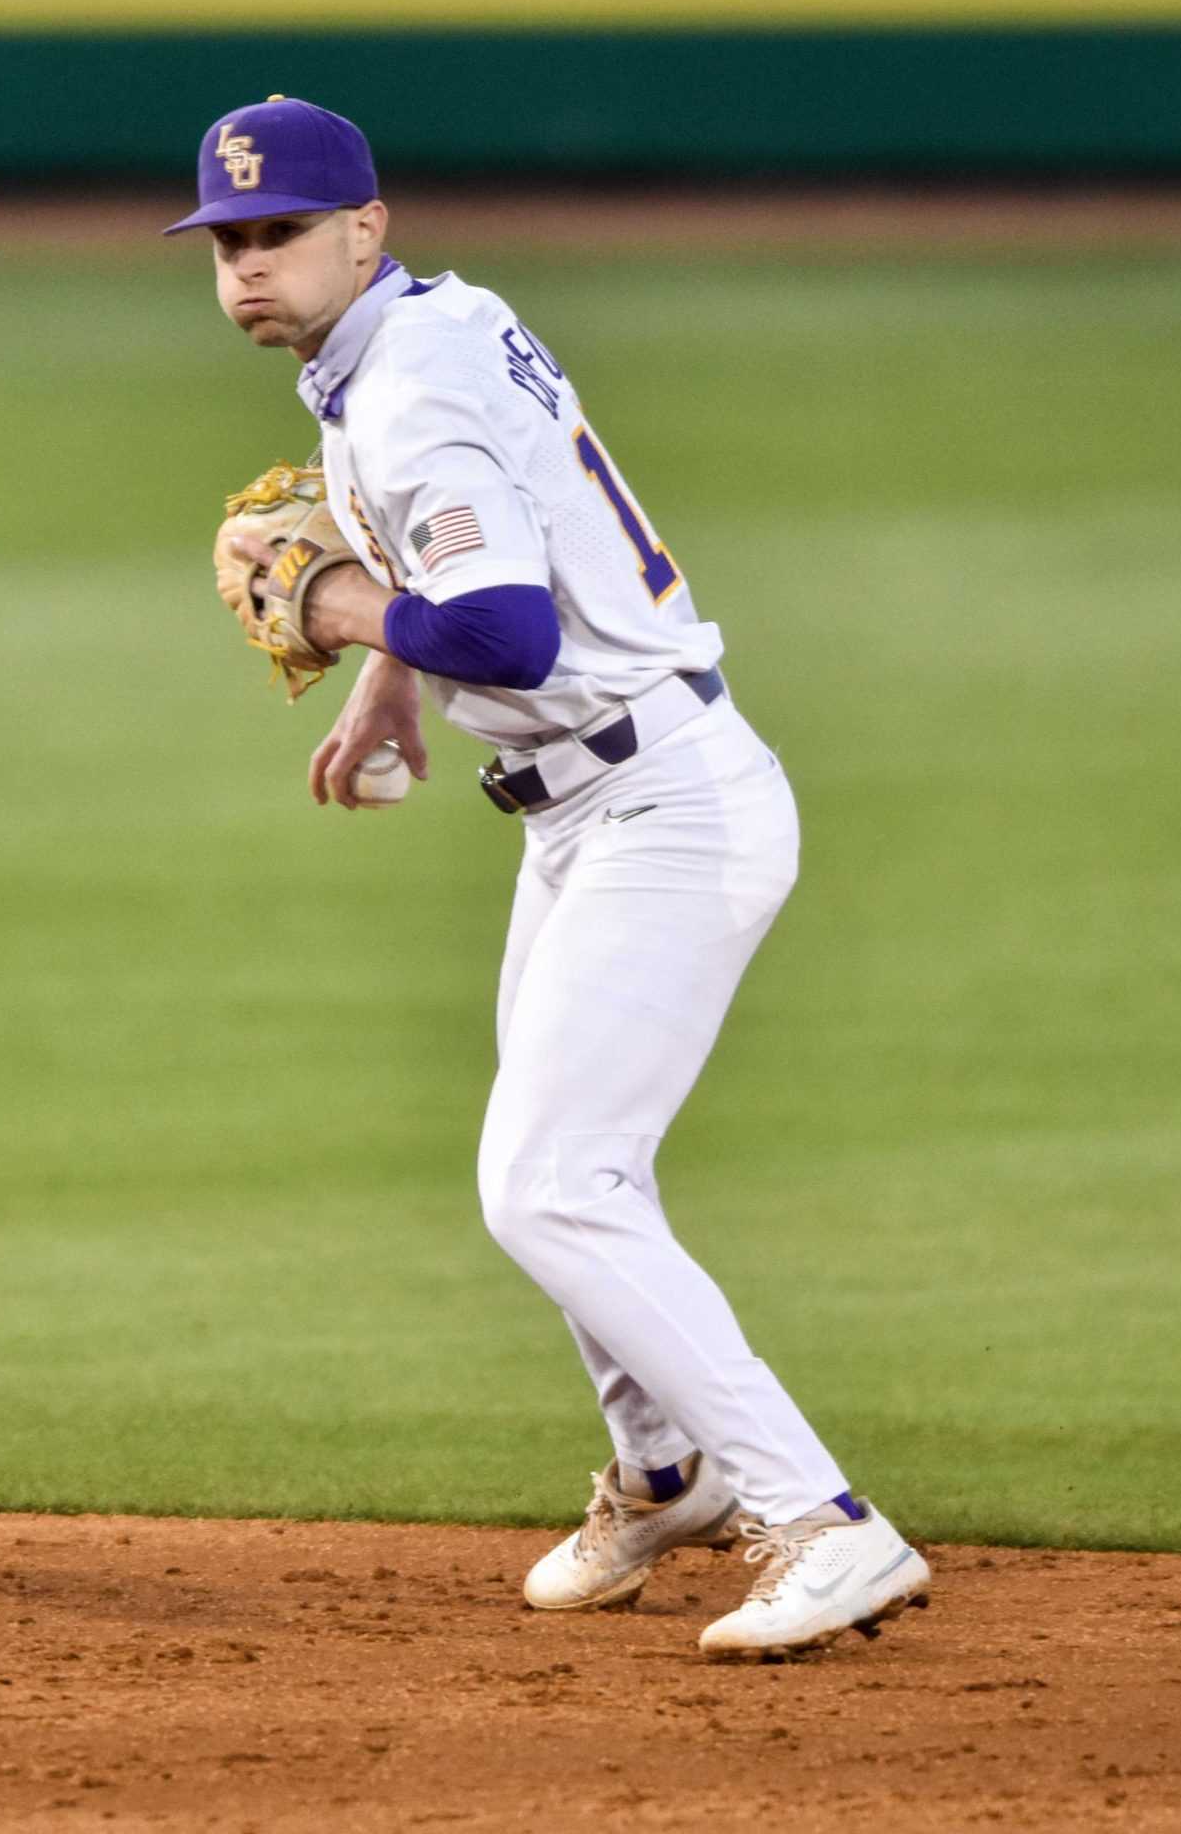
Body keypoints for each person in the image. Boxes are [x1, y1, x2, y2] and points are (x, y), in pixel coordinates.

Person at [169, 96, 931, 1660]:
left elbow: (504, 633)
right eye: (227, 243)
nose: (248, 268)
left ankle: (821, 1520)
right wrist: (395, 681)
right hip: (593, 807)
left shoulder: (406, 397)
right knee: (573, 1167)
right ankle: (667, 1476)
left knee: (548, 1181)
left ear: (363, 229)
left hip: (667, 807)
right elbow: (504, 551)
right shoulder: (422, 330)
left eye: (281, 235)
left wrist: (341, 613)